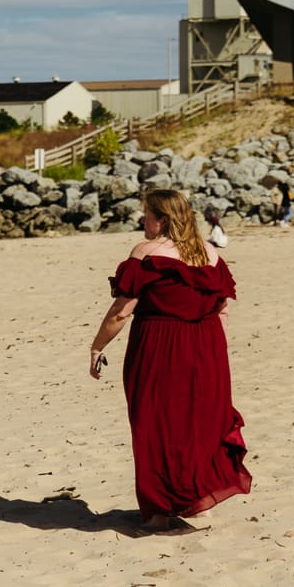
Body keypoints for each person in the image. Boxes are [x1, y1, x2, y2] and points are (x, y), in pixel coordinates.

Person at [88, 188, 251, 532]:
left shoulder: (147, 252)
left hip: (160, 344)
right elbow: (222, 309)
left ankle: (160, 511)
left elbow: (121, 312)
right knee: (197, 423)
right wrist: (214, 354)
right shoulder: (208, 252)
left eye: (146, 214)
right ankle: (198, 502)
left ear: (161, 219)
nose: (142, 220)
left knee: (155, 423)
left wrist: (97, 346)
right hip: (207, 346)